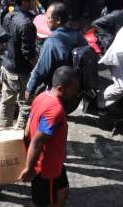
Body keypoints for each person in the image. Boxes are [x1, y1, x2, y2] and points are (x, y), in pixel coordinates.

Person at [19, 66, 80, 207]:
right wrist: (29, 168)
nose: (76, 92)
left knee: (63, 191)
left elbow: (28, 127)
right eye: (73, 88)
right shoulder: (55, 110)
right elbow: (37, 142)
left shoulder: (41, 96)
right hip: (47, 169)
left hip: (55, 162)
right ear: (60, 88)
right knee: (49, 202)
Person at [0, 0, 37, 129]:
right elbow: (29, 53)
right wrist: (38, 68)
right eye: (34, 0)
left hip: (6, 67)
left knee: (6, 102)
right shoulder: (27, 25)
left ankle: (2, 133)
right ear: (26, 2)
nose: (36, 2)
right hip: (21, 73)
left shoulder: (8, 16)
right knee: (25, 105)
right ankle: (19, 137)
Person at [26, 3, 86, 99]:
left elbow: (40, 70)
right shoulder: (79, 35)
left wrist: (29, 89)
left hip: (59, 93)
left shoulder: (52, 42)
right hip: (76, 91)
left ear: (58, 20)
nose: (46, 21)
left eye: (49, 18)